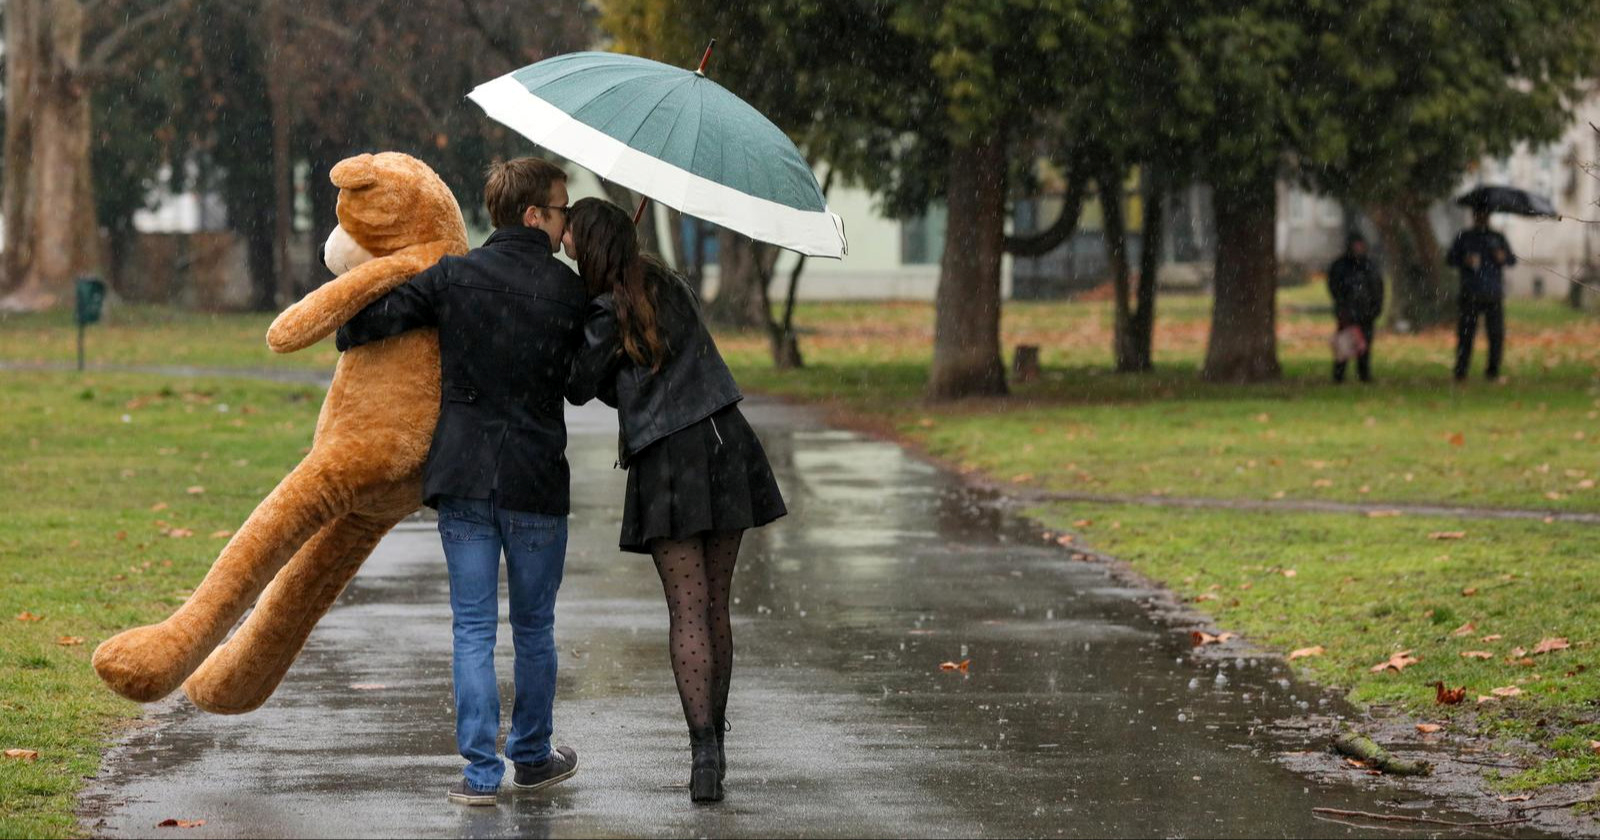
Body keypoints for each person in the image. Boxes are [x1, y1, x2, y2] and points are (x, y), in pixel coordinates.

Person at [334, 158, 587, 806]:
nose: (567, 224)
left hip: (465, 474)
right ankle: (530, 756)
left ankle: (479, 775)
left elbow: (359, 326)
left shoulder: (455, 278)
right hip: (534, 477)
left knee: (472, 627)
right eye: (561, 210)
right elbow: (584, 385)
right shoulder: (567, 291)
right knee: (533, 628)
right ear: (534, 215)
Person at [563, 198, 787, 804]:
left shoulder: (605, 310)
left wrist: (585, 314)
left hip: (668, 457)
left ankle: (701, 754)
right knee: (716, 607)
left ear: (590, 247)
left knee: (686, 610)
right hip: (725, 441)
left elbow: (578, 386)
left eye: (570, 240)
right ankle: (716, 748)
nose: (563, 249)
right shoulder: (669, 285)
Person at [1446, 207, 1517, 382]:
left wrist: (1502, 257)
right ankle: (1461, 370)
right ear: (1474, 215)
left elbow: (1511, 259)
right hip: (1470, 292)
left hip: (1493, 292)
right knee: (1466, 334)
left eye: (1484, 214)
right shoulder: (1465, 236)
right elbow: (1450, 259)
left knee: (1495, 334)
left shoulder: (1497, 237)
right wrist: (1465, 260)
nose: (1482, 217)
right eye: (1479, 214)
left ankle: (1492, 370)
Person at [1326, 232, 1384, 384]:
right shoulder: (1341, 266)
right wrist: (1343, 307)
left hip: (1366, 313)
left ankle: (1364, 374)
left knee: (1364, 346)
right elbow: (1335, 288)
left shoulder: (1369, 266)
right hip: (1347, 313)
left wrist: (1375, 308)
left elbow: (1377, 288)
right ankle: (1339, 376)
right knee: (1344, 346)